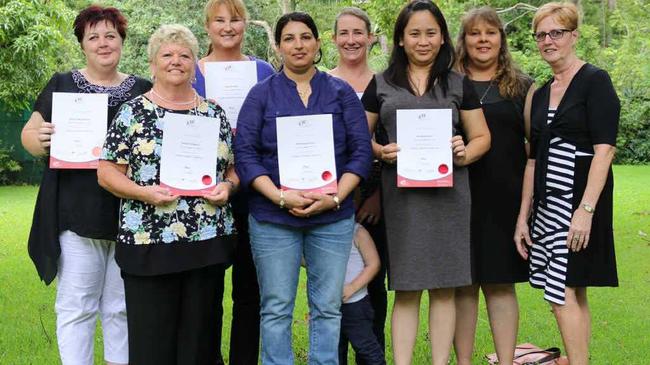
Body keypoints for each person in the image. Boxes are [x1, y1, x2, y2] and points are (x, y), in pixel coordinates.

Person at [234, 11, 372, 364]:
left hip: (333, 217)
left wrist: (336, 197)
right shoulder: (260, 95)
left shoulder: (340, 93)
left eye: (305, 37)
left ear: (317, 42)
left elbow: (360, 153)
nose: (298, 45)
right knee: (276, 307)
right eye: (289, 38)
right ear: (278, 46)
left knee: (327, 307)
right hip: (272, 218)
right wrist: (279, 196)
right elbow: (246, 156)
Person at [97, 24, 238, 364]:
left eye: (185, 55)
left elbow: (231, 167)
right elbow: (106, 171)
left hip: (205, 241)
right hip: (149, 243)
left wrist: (229, 186)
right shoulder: (132, 112)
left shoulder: (214, 112)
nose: (176, 61)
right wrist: (144, 193)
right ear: (153, 63)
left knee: (200, 342)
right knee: (152, 343)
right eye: (167, 54)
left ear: (195, 64)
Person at [361, 1, 490, 364]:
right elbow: (360, 136)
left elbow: (482, 137)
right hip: (402, 200)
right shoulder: (381, 83)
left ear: (443, 37)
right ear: (401, 39)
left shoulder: (457, 83)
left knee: (445, 288)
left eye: (431, 33)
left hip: (449, 197)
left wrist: (465, 151)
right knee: (406, 288)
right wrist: (379, 151)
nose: (423, 41)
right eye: (414, 33)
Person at [20, 5, 151, 365]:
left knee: (121, 307)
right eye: (93, 36)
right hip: (75, 213)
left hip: (130, 216)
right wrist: (40, 137)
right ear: (82, 44)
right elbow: (29, 135)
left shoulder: (143, 90)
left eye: (110, 35)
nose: (103, 43)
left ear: (122, 40)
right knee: (77, 306)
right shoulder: (61, 84)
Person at [514, 3, 619, 364]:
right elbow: (532, 158)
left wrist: (585, 211)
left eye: (556, 32)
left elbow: (604, 151)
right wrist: (522, 218)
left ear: (574, 35)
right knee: (572, 290)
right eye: (541, 35)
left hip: (578, 203)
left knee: (560, 294)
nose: (548, 41)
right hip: (547, 207)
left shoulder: (594, 81)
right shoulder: (540, 93)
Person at [192, 1, 275, 363]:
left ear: (245, 25)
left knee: (250, 286)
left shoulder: (264, 70)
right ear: (207, 27)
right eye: (220, 20)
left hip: (256, 188)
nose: (228, 27)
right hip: (203, 190)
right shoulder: (191, 70)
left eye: (236, 19)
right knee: (205, 285)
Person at [452, 7, 535, 365]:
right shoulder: (448, 83)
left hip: (505, 198)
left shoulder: (524, 87)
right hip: (456, 196)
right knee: (463, 286)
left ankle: (506, 360)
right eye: (474, 33)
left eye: (490, 32)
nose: (483, 40)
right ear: (463, 40)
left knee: (501, 285)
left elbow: (534, 148)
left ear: (501, 39)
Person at [328, 7, 389, 358]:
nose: (351, 40)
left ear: (369, 37)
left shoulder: (386, 84)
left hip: (375, 203)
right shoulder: (320, 82)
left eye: (358, 33)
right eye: (344, 33)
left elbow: (389, 143)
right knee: (330, 285)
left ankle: (372, 353)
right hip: (330, 201)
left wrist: (378, 196)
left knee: (372, 286)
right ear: (334, 39)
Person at [339, 224, 385, 365]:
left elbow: (374, 264)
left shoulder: (357, 231)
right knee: (334, 351)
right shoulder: (318, 233)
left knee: (367, 349)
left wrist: (352, 287)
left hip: (356, 305)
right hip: (328, 306)